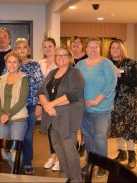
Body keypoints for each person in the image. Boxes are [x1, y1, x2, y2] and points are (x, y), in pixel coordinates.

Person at [39, 45, 85, 183]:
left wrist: (50, 104)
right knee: (58, 147)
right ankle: (65, 176)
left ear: (69, 57)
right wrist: (46, 105)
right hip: (52, 117)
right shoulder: (52, 73)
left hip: (68, 118)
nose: (61, 58)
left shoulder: (74, 73)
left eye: (64, 55)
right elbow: (41, 92)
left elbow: (73, 94)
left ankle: (76, 179)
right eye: (58, 55)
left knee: (69, 149)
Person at [75, 38, 117, 177]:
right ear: (85, 49)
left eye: (96, 47)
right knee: (88, 137)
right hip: (85, 108)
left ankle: (103, 165)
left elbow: (111, 84)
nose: (93, 49)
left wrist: (96, 100)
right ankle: (90, 162)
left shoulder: (106, 63)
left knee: (99, 137)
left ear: (100, 49)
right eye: (90, 47)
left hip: (101, 109)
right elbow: (75, 84)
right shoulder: (80, 64)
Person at [108, 40, 137, 169]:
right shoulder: (107, 63)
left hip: (130, 102)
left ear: (122, 49)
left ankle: (132, 155)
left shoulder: (130, 63)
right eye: (113, 48)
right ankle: (122, 153)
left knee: (130, 128)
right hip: (114, 102)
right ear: (110, 50)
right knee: (119, 127)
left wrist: (118, 75)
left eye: (118, 48)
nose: (115, 50)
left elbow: (135, 81)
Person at [14, 38, 44, 175]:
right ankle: (15, 161)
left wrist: (39, 104)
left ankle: (27, 162)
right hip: (14, 107)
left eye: (24, 47)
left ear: (29, 50)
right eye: (18, 47)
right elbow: (3, 83)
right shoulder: (11, 63)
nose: (21, 50)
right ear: (15, 50)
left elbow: (41, 86)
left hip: (31, 105)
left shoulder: (35, 65)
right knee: (16, 135)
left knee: (27, 135)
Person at [0, 51, 29, 172]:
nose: (12, 64)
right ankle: (14, 169)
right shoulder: (2, 78)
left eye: (15, 62)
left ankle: (15, 173)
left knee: (15, 151)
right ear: (6, 63)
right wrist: (1, 115)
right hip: (3, 119)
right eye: (9, 62)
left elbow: (22, 100)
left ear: (19, 64)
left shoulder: (23, 78)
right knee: (2, 149)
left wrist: (7, 114)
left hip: (18, 119)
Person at [38, 37, 59, 171]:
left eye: (50, 46)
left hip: (58, 101)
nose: (47, 49)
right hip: (44, 101)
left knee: (59, 130)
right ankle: (53, 156)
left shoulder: (60, 62)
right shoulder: (39, 63)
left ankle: (60, 158)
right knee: (51, 129)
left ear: (55, 47)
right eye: (45, 46)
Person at [0, 27, 12, 136]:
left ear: (9, 39)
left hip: (11, 96)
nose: (2, 39)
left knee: (11, 126)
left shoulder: (15, 54)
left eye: (5, 37)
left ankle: (12, 152)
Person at [70, 36, 87, 156]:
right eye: (73, 42)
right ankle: (75, 142)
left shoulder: (87, 57)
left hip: (84, 93)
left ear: (82, 45)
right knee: (72, 120)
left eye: (78, 42)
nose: (75, 44)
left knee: (83, 120)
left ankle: (83, 143)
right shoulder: (67, 56)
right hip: (70, 94)